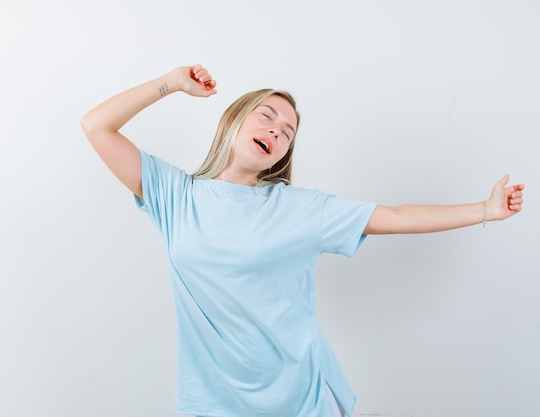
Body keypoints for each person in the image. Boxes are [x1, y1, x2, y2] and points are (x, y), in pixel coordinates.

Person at [80, 64, 524, 417]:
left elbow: (395, 215)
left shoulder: (299, 208)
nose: (276, 130)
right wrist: (171, 83)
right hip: (214, 402)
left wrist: (486, 210)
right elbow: (96, 126)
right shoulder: (175, 195)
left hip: (302, 400)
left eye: (288, 131)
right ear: (234, 120)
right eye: (267, 117)